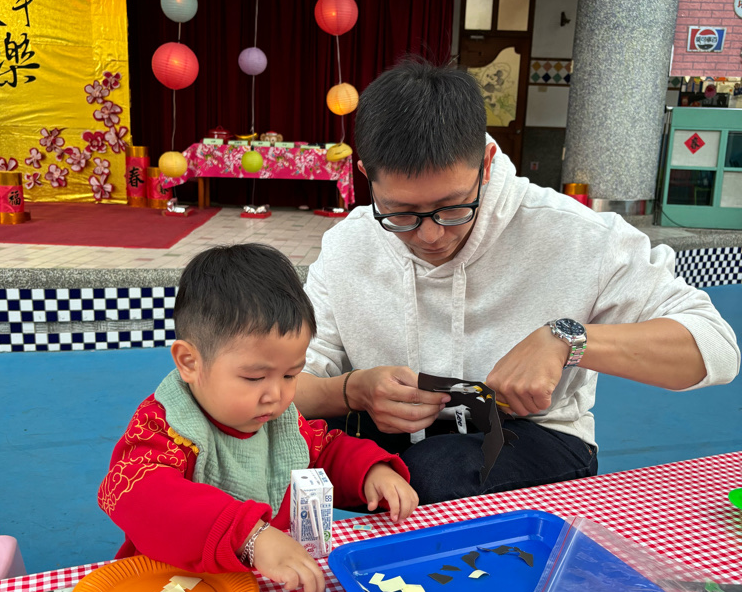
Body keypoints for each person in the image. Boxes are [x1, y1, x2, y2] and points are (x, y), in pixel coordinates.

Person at [295, 58, 740, 502]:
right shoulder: (348, 244)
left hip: (532, 435)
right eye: (401, 213)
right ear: (366, 176)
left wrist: (569, 340)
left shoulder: (575, 234)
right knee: (279, 447)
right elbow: (286, 383)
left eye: (453, 208)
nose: (430, 236)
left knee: (434, 474)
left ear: (486, 164)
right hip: (387, 428)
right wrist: (351, 391)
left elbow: (715, 348)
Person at [98, 244, 418, 592]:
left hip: (265, 587)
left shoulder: (280, 420)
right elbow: (138, 494)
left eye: (291, 375)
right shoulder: (165, 427)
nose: (276, 395)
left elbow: (323, 451)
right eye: (254, 378)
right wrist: (250, 535)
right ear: (189, 362)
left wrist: (370, 470)